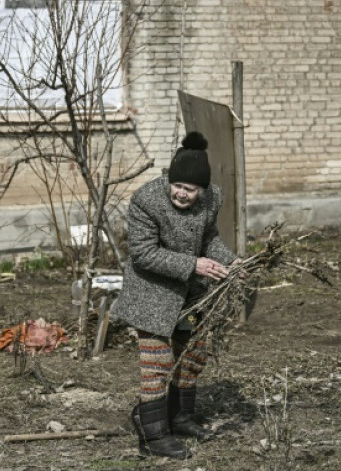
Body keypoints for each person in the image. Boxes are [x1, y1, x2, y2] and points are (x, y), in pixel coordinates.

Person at [110, 131, 240, 460]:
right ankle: (153, 436)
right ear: (169, 179)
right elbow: (143, 253)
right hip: (151, 293)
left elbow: (209, 239)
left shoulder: (212, 199)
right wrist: (193, 264)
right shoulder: (146, 200)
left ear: (203, 190)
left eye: (190, 189)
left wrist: (231, 261)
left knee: (193, 354)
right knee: (157, 364)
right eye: (178, 185)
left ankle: (180, 418)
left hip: (190, 295)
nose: (182, 193)